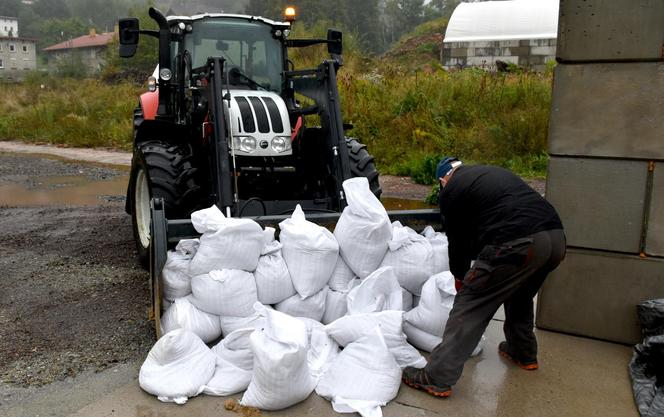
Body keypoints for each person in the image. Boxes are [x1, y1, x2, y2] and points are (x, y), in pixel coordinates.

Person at [401, 157, 566, 398]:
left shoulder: (452, 190)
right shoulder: (487, 174)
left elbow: (458, 241)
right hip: (555, 241)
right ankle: (523, 352)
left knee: (471, 304)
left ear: (442, 180)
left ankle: (436, 377)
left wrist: (460, 278)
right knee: (520, 295)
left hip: (518, 243)